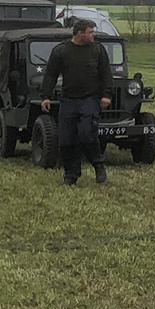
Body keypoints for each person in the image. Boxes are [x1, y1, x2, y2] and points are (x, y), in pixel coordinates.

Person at [41, 18, 113, 185]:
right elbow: (51, 74)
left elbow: (106, 74)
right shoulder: (61, 51)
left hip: (90, 99)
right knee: (66, 140)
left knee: (86, 133)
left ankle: (98, 165)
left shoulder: (98, 50)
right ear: (80, 34)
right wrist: (45, 96)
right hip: (68, 100)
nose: (93, 35)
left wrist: (107, 95)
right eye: (90, 32)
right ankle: (71, 175)